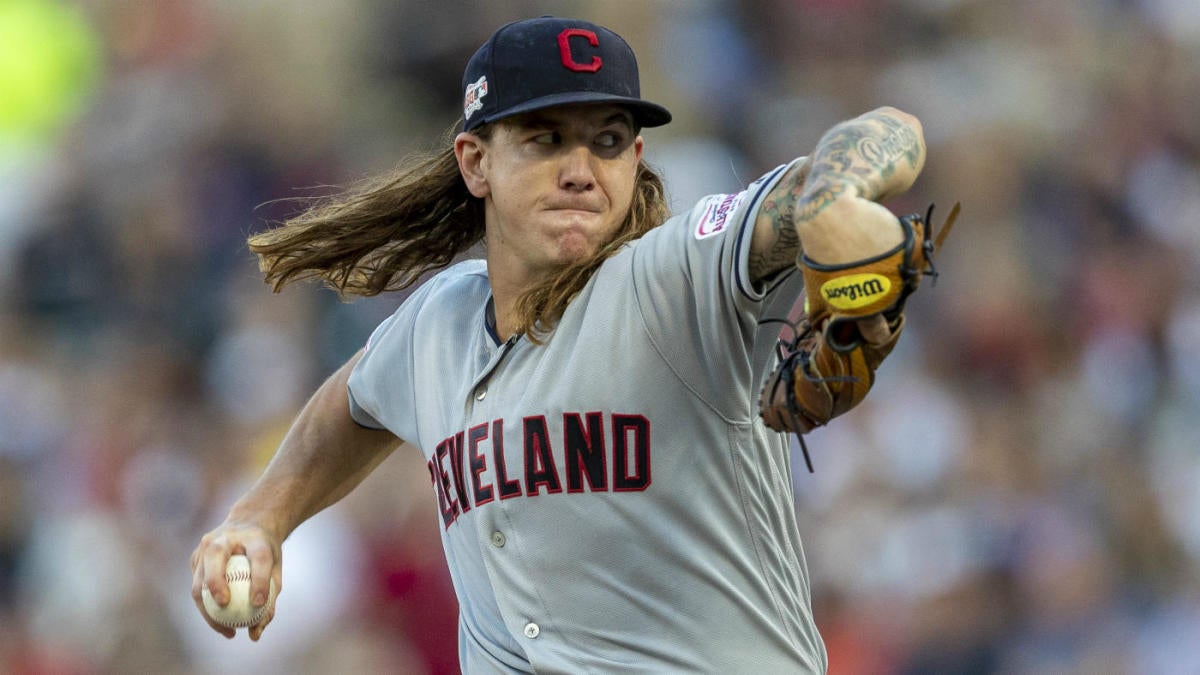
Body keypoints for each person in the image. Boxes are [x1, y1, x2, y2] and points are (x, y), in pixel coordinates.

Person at [190, 15, 926, 673]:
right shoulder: (437, 325)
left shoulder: (676, 277)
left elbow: (879, 138)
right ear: (475, 161)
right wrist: (261, 516)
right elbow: (347, 410)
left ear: (636, 157)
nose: (580, 169)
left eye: (606, 141)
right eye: (546, 139)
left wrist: (835, 190)